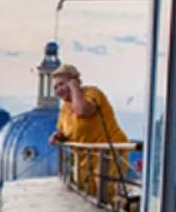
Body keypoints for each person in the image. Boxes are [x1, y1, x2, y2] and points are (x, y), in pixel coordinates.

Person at [48, 63, 130, 198]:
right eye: (55, 87)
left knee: (103, 189)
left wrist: (74, 88)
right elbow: (66, 132)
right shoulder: (64, 109)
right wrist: (58, 136)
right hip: (85, 159)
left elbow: (82, 111)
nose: (58, 90)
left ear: (74, 81)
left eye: (62, 84)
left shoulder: (92, 93)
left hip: (108, 152)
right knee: (87, 192)